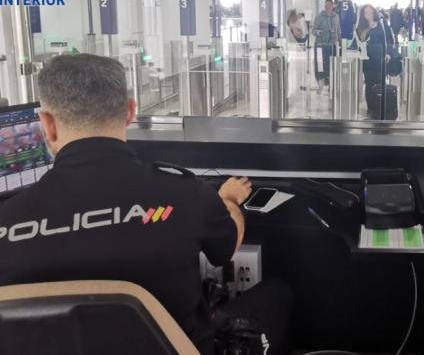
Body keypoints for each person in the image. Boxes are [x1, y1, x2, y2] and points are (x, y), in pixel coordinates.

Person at [0, 54, 291, 355]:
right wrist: (228, 199)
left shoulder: (6, 221)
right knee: (277, 294)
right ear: (130, 112)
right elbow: (227, 248)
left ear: (47, 125)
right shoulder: (185, 195)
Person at [357, 4, 395, 118]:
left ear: (374, 12)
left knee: (380, 83)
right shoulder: (362, 27)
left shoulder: (382, 24)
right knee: (369, 84)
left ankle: (379, 106)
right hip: (367, 60)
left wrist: (388, 53)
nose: (368, 14)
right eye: (366, 13)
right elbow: (358, 42)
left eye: (370, 12)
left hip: (380, 59)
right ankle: (371, 108)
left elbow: (389, 40)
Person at [312, 0, 341, 90]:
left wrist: (340, 40)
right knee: (320, 65)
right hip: (320, 45)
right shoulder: (319, 17)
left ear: (332, 6)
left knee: (331, 65)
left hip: (332, 45)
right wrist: (318, 32)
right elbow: (313, 30)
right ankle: (320, 82)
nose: (327, 7)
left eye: (329, 6)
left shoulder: (336, 17)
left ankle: (330, 83)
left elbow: (338, 29)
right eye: (326, 6)